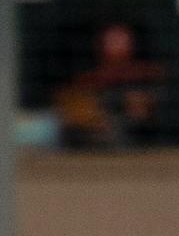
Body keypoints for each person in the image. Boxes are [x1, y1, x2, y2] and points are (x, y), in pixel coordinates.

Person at [53, 19, 166, 149]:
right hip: (96, 134)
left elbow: (149, 104)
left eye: (122, 39)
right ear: (100, 43)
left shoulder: (147, 72)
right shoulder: (88, 77)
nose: (118, 45)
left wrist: (141, 101)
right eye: (112, 40)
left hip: (138, 136)